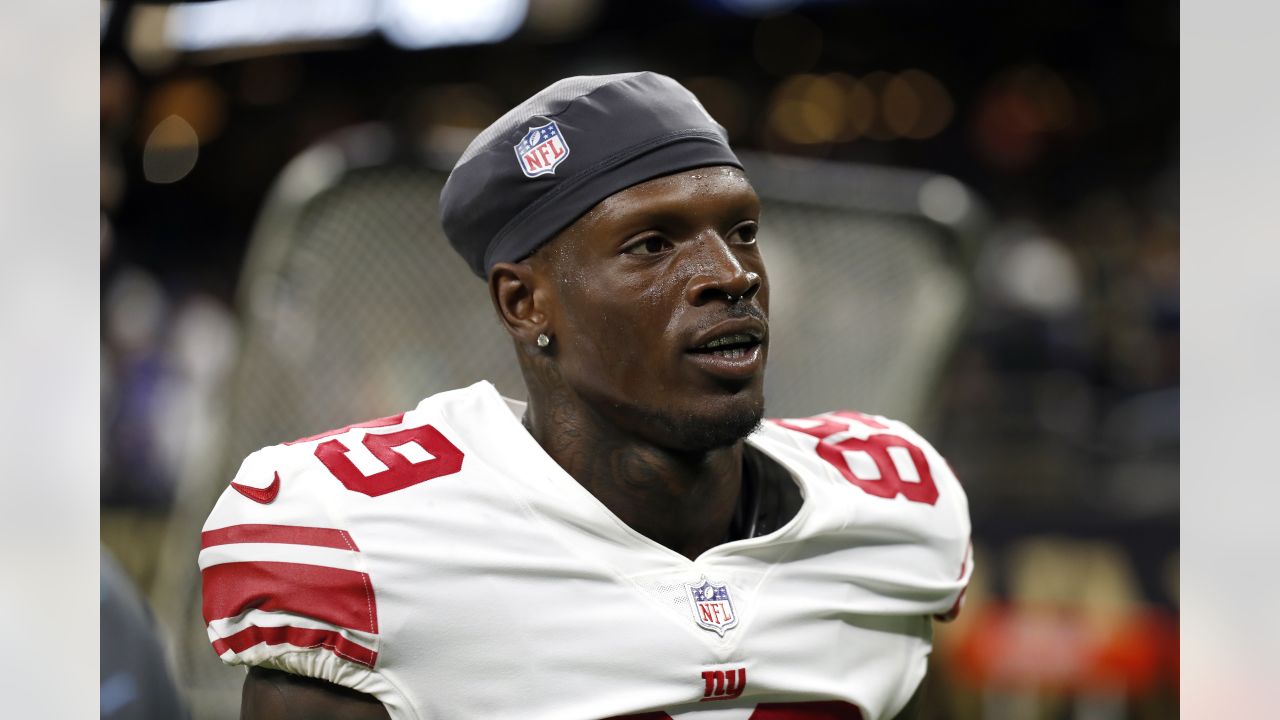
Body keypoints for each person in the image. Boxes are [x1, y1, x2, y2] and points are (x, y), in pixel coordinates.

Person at [199, 72, 972, 720]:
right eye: (653, 244)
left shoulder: (886, 511)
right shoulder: (366, 542)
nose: (730, 274)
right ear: (525, 304)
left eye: (740, 230)